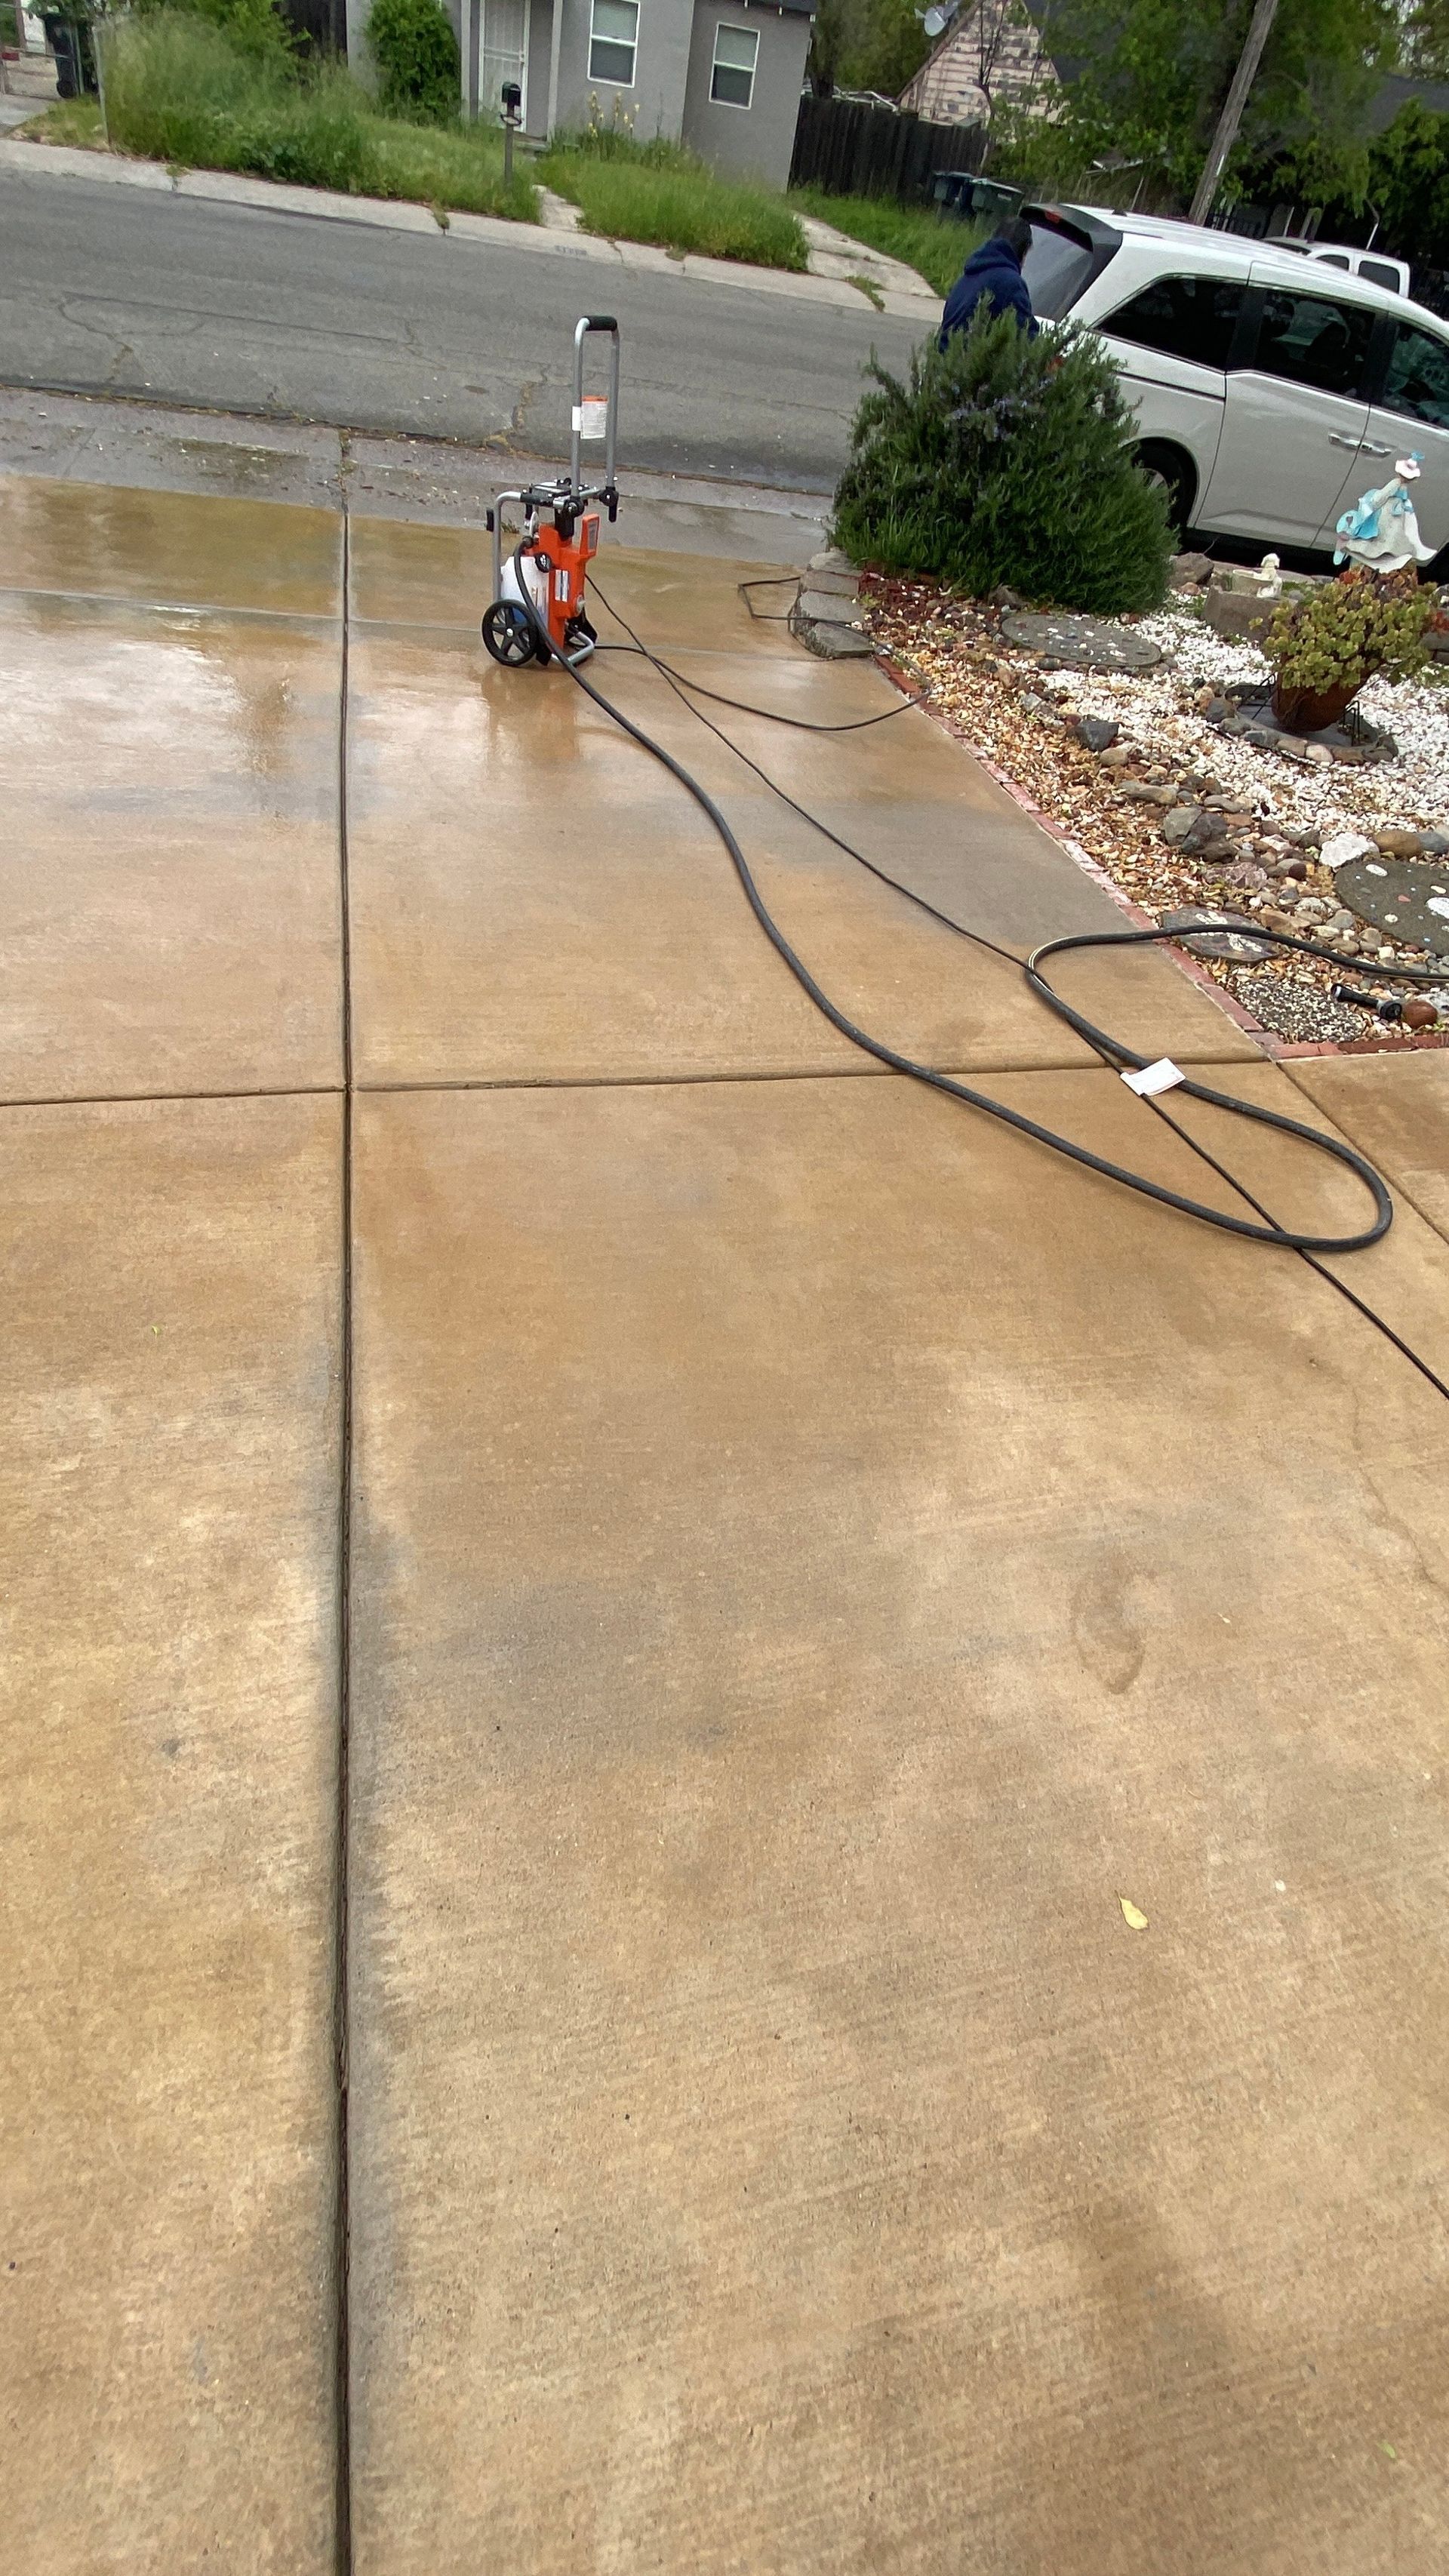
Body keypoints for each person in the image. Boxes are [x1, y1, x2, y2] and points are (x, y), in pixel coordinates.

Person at [938, 219, 1038, 352]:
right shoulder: (1011, 283)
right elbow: (1027, 336)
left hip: (943, 358)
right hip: (970, 361)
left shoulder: (968, 276)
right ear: (1023, 251)